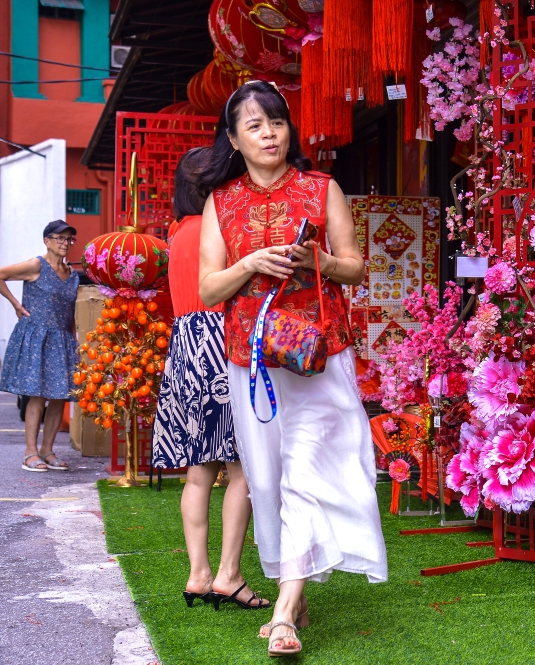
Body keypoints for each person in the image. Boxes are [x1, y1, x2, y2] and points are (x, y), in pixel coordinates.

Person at [197, 80, 387, 657]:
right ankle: (294, 583)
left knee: (305, 470)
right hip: (251, 362)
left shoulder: (321, 188)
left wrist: (321, 261)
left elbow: (355, 267)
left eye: (275, 122)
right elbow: (208, 289)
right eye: (253, 125)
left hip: (319, 357)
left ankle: (283, 613)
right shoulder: (219, 203)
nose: (268, 133)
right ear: (234, 139)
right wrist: (250, 261)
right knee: (267, 478)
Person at [151, 148, 270, 612]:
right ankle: (229, 576)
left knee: (198, 473)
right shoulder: (216, 230)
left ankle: (198, 574)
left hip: (186, 347)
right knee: (242, 468)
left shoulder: (178, 232)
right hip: (222, 342)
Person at [0, 221, 79, 472]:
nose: (65, 243)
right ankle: (30, 453)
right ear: (46, 241)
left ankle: (47, 451)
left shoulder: (72, 274)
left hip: (62, 339)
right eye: (59, 238)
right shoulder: (36, 265)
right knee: (37, 395)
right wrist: (16, 305)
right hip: (36, 337)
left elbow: (69, 311)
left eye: (69, 239)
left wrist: (74, 340)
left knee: (60, 396)